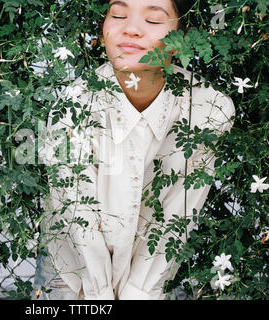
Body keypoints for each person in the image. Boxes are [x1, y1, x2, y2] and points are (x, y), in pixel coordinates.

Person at [32, 0, 235, 300]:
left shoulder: (207, 109)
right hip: (74, 270)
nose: (131, 29)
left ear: (182, 37)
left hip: (156, 270)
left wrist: (138, 293)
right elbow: (78, 220)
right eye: (118, 14)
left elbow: (178, 213)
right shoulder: (72, 107)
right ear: (102, 31)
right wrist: (99, 296)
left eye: (153, 20)